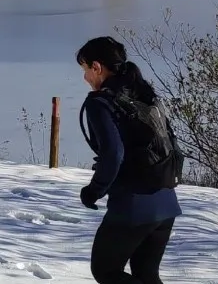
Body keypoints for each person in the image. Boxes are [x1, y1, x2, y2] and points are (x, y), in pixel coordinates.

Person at [76, 36, 183, 284]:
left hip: (133, 207)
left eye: (85, 70)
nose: (85, 78)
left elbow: (112, 155)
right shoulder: (146, 94)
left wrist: (93, 191)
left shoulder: (100, 103)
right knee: (146, 275)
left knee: (105, 271)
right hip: (166, 203)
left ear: (97, 67)